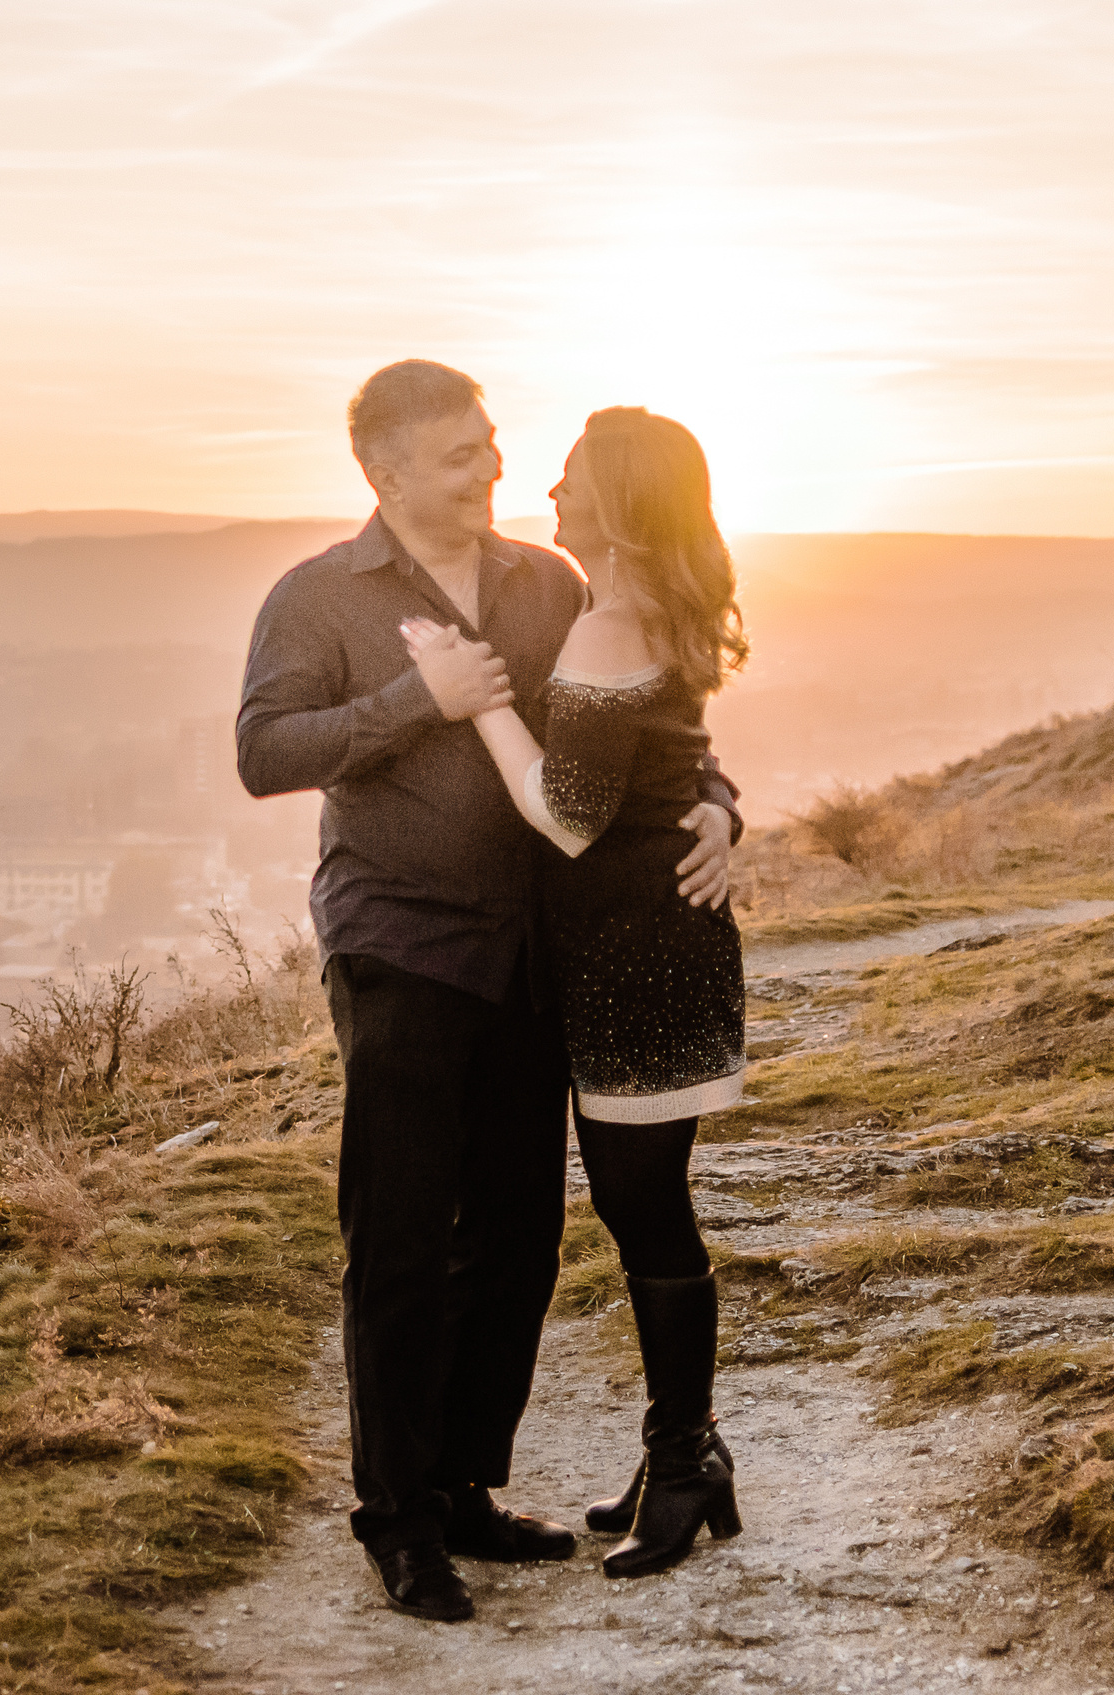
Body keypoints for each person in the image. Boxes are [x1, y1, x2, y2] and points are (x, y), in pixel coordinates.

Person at [236, 362, 741, 1623]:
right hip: (401, 945)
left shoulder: (548, 582)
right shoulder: (317, 597)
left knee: (514, 1235)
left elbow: (652, 724)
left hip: (536, 956)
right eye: (461, 454)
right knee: (399, 1240)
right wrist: (419, 700)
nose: (492, 469)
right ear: (385, 470)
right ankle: (396, 1519)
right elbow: (262, 752)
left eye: (491, 444)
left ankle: (463, 1483)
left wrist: (724, 807)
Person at [402, 404, 749, 1579]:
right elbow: (669, 769)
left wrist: (478, 698)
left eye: (570, 478)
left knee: (644, 1211)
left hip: (637, 957)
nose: (548, 492)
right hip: (643, 946)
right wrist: (716, 806)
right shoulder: (651, 612)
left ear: (618, 499)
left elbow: (566, 813)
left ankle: (688, 1458)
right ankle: (681, 1453)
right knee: (643, 1207)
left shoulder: (611, 625)